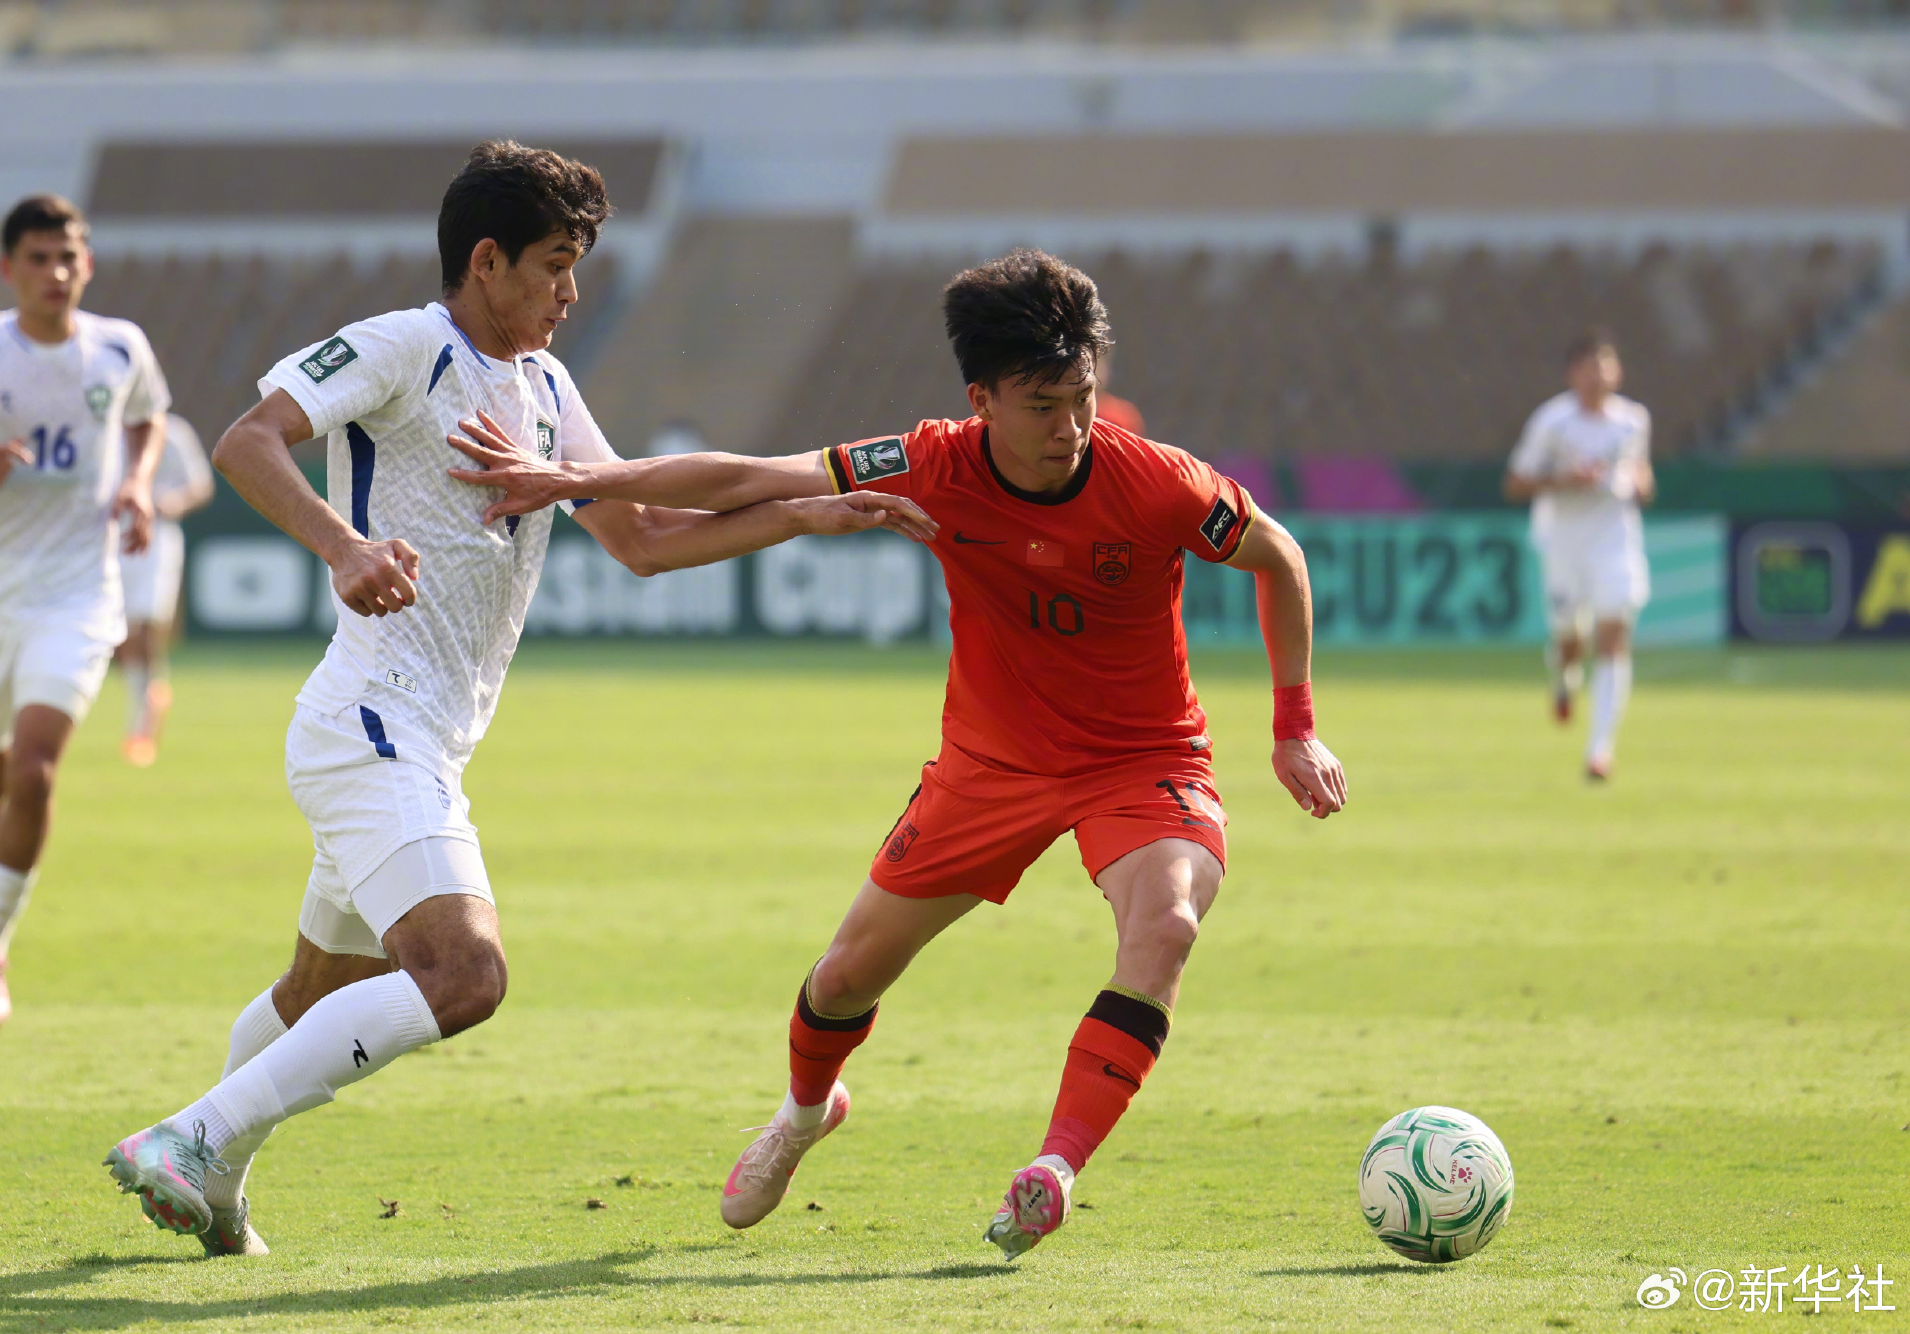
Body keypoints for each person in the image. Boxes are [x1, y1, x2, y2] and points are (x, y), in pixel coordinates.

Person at [99, 140, 933, 1259]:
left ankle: (217, 1185)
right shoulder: (406, 346)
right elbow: (248, 442)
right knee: (464, 974)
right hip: (375, 722)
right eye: (553, 265)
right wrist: (343, 546)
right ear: (485, 261)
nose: (569, 292)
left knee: (313, 990)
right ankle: (193, 1136)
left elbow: (640, 537)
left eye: (577, 266)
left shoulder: (544, 386)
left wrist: (805, 514)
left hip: (419, 739)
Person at [446, 247, 1347, 1260]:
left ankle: (1052, 1169)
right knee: (842, 980)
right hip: (989, 769)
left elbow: (1279, 555)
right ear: (981, 401)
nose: (1070, 428)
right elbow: (750, 477)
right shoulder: (930, 462)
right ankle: (803, 1113)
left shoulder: (1159, 482)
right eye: (1043, 406)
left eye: (1082, 399)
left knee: (1168, 921)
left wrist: (1294, 726)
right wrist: (578, 479)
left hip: (1143, 759)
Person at [0, 195, 166, 1027]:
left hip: (77, 593)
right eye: (38, 258)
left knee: (33, 769)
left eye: (68, 257)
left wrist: (137, 483)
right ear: (7, 268)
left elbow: (148, 416)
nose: (56, 273)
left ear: (87, 264)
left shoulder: (120, 347)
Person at [1503, 329, 1654, 780]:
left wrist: (1640, 484)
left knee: (1613, 636)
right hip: (1564, 542)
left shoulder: (1633, 421)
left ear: (1617, 372)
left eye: (1605, 367)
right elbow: (1516, 483)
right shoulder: (1552, 422)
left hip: (1614, 539)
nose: (1597, 377)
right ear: (1573, 374)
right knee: (1571, 641)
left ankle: (1599, 750)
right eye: (1589, 368)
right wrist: (1567, 480)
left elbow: (1643, 475)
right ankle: (1564, 680)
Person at [117, 411, 215, 766]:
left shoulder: (173, 432)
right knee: (122, 633)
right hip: (112, 540)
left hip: (157, 538)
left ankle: (145, 720)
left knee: (149, 626)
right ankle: (142, 700)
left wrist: (175, 501)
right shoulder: (105, 431)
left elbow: (200, 485)